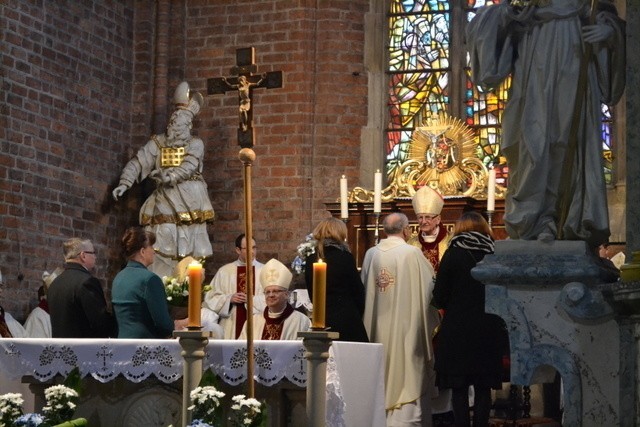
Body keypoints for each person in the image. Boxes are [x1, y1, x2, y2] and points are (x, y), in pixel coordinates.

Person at [466, 0, 625, 247]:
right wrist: (507, 15)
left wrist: (609, 33)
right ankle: (535, 220)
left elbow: (612, 19)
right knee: (533, 145)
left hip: (573, 61)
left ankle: (565, 217)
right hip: (534, 70)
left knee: (564, 142)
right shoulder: (528, 5)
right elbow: (487, 23)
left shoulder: (587, 4)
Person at [112, 82, 215, 278]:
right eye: (174, 122)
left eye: (181, 123)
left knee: (189, 242)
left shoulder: (196, 144)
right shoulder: (158, 143)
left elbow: (189, 165)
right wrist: (125, 182)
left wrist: (169, 176)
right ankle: (161, 280)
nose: (176, 127)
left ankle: (186, 283)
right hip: (164, 198)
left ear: (189, 125)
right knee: (161, 236)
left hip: (191, 198)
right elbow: (139, 161)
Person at [433, 211, 509, 427]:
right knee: (484, 387)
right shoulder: (495, 254)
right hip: (488, 327)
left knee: (459, 387)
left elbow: (439, 296)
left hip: (458, 328)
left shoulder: (453, 253)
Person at [361, 212, 436, 427]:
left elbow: (364, 289)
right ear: (406, 230)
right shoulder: (412, 253)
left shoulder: (370, 254)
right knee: (407, 370)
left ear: (385, 230)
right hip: (406, 330)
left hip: (375, 328)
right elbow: (430, 289)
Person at [304, 218, 368, 342]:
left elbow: (312, 293)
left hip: (322, 318)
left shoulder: (311, 259)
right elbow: (357, 291)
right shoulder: (345, 257)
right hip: (347, 319)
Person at [111, 227, 183, 338]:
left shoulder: (119, 277)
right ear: (142, 251)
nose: (154, 251)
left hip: (121, 344)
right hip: (145, 346)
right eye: (151, 246)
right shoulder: (150, 279)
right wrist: (179, 324)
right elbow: (163, 324)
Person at [47, 238, 116, 338]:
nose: (95, 257)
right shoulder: (87, 282)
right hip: (84, 350)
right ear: (83, 255)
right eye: (93, 253)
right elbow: (100, 323)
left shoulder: (55, 283)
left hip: (60, 350)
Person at [202, 234, 266, 339]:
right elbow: (210, 299)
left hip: (257, 323)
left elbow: (272, 299)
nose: (252, 252)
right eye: (247, 248)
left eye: (254, 247)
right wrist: (229, 299)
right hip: (230, 324)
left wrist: (252, 299)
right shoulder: (225, 271)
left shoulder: (264, 271)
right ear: (238, 250)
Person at [240, 258, 311, 340]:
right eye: (267, 292)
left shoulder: (301, 321)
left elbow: (306, 350)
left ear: (286, 294)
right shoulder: (253, 322)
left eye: (275, 291)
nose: (271, 295)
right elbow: (242, 347)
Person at [408, 186, 451, 272]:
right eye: (420, 217)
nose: (423, 221)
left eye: (428, 217)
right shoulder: (411, 244)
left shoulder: (450, 242)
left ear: (438, 219)